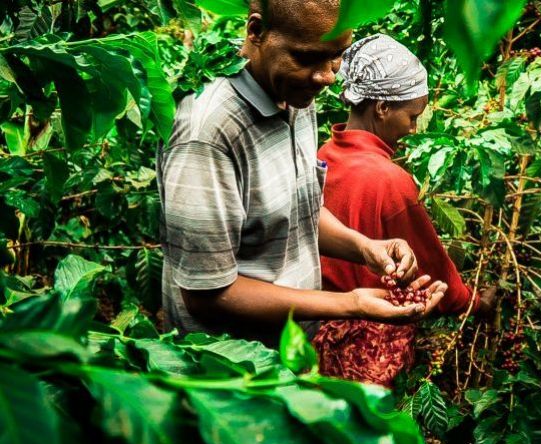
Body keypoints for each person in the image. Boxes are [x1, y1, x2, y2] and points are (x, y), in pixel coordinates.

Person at [157, 0, 448, 347]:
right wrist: (349, 304)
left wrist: (366, 248)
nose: (327, 76)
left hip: (287, 351)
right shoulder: (207, 133)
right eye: (307, 58)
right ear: (256, 32)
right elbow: (206, 294)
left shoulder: (294, 96)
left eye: (337, 55)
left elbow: (297, 210)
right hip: (228, 370)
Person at [312, 34, 496, 387]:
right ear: (382, 108)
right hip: (362, 346)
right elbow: (430, 269)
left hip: (308, 326)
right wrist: (476, 302)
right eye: (412, 117)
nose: (413, 129)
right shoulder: (390, 180)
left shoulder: (322, 155)